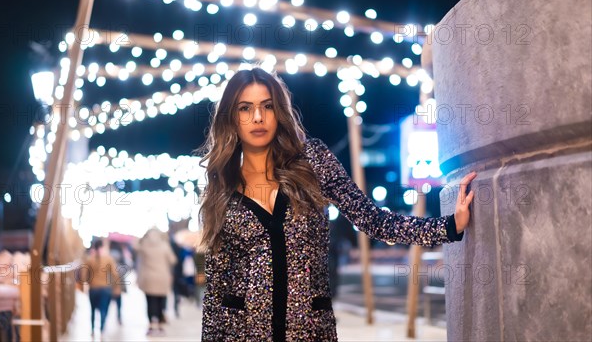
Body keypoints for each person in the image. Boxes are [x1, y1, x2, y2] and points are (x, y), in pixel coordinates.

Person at [197, 67, 476, 341]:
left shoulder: (312, 161)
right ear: (231, 117)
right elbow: (217, 287)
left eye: (267, 106)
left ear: (279, 111)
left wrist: (449, 225)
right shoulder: (222, 185)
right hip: (241, 333)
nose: (258, 117)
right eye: (245, 108)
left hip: (309, 330)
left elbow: (372, 219)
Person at [134, 228, 177, 336]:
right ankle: (160, 324)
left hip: (148, 278)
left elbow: (135, 246)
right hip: (162, 278)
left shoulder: (144, 246)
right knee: (161, 301)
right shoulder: (164, 246)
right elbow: (173, 260)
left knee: (150, 301)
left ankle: (152, 324)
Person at [79, 239, 119, 339]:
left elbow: (83, 275)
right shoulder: (108, 259)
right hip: (105, 289)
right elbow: (115, 274)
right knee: (103, 310)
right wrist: (116, 287)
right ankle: (101, 330)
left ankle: (93, 330)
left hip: (93, 288)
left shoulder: (89, 259)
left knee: (92, 310)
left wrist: (86, 283)